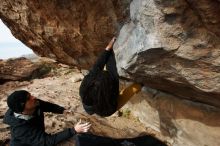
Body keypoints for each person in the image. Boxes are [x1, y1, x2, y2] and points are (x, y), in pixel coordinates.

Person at [79, 37, 142, 117]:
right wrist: (111, 54)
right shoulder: (109, 106)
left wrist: (108, 50)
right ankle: (140, 85)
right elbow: (113, 74)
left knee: (110, 70)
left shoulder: (83, 89)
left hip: (91, 105)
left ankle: (139, 85)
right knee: (131, 90)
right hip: (107, 110)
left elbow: (97, 67)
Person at [3, 90, 91, 146]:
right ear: (22, 109)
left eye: (30, 95)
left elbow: (46, 105)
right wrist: (74, 130)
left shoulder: (34, 104)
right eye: (28, 98)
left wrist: (62, 110)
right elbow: (46, 142)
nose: (34, 97)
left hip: (37, 135)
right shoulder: (20, 129)